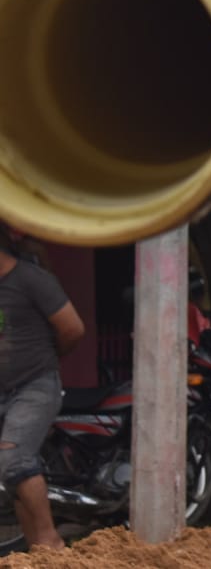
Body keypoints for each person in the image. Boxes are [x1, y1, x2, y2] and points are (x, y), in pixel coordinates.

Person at [0, 227, 84, 551]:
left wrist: (46, 359)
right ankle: (38, 551)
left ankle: (51, 541)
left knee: (14, 459)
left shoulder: (31, 280)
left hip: (34, 386)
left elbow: (73, 328)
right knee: (11, 473)